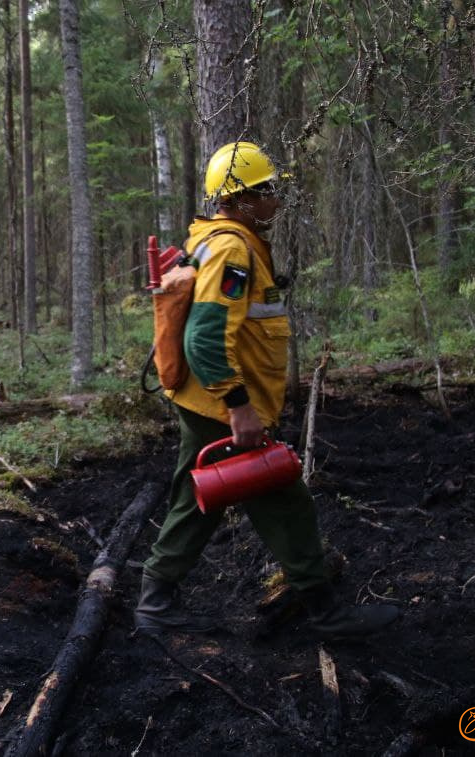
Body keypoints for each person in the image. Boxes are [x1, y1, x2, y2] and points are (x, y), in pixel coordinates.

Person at [134, 141, 400, 638]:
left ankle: (154, 602)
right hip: (222, 402)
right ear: (241, 199)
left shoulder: (219, 239)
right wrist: (240, 408)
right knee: (285, 502)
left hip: (202, 398)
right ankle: (327, 613)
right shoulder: (233, 249)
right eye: (267, 191)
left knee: (198, 500)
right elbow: (205, 337)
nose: (276, 200)